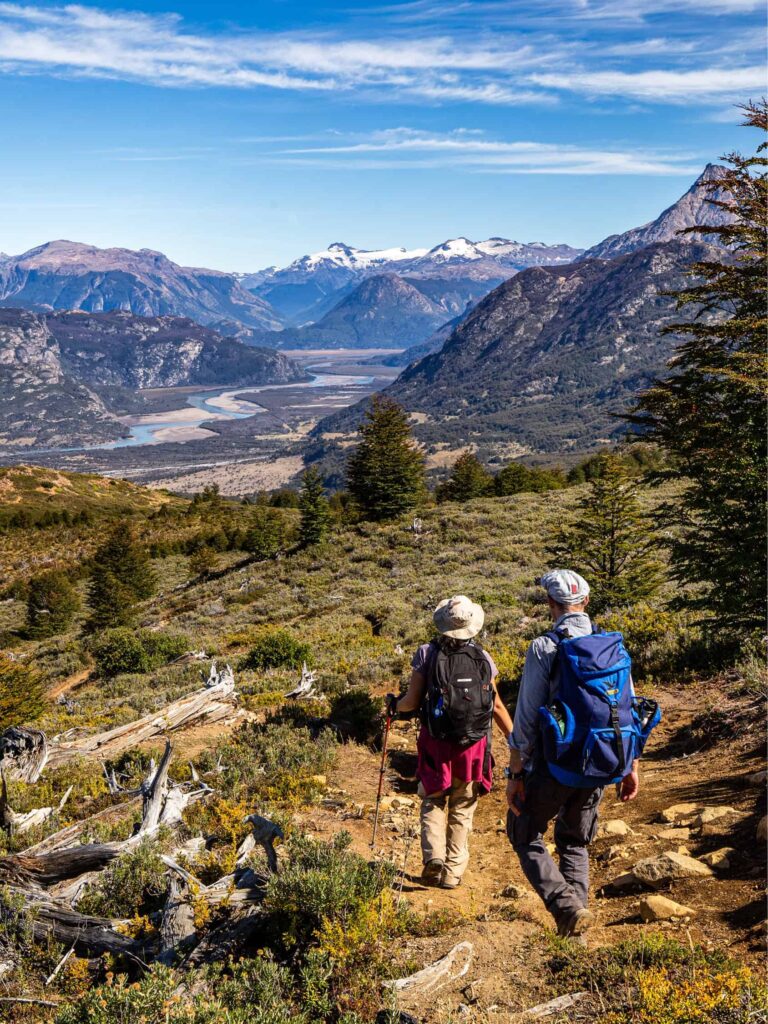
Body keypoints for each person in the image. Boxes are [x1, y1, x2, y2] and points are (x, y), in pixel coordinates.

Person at [505, 570, 640, 939]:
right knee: (575, 841)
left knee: (523, 832)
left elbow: (527, 716)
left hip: (555, 765)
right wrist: (630, 766)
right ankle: (575, 933)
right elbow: (626, 710)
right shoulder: (613, 646)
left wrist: (516, 773)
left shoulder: (545, 647)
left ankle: (566, 908)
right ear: (586, 602)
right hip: (603, 761)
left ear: (551, 604)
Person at [388, 595, 514, 890]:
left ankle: (433, 858)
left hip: (436, 743)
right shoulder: (484, 658)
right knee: (462, 806)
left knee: (433, 799)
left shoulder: (426, 653)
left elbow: (411, 702)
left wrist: (394, 706)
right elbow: (495, 706)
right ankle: (453, 872)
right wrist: (516, 740)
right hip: (473, 746)